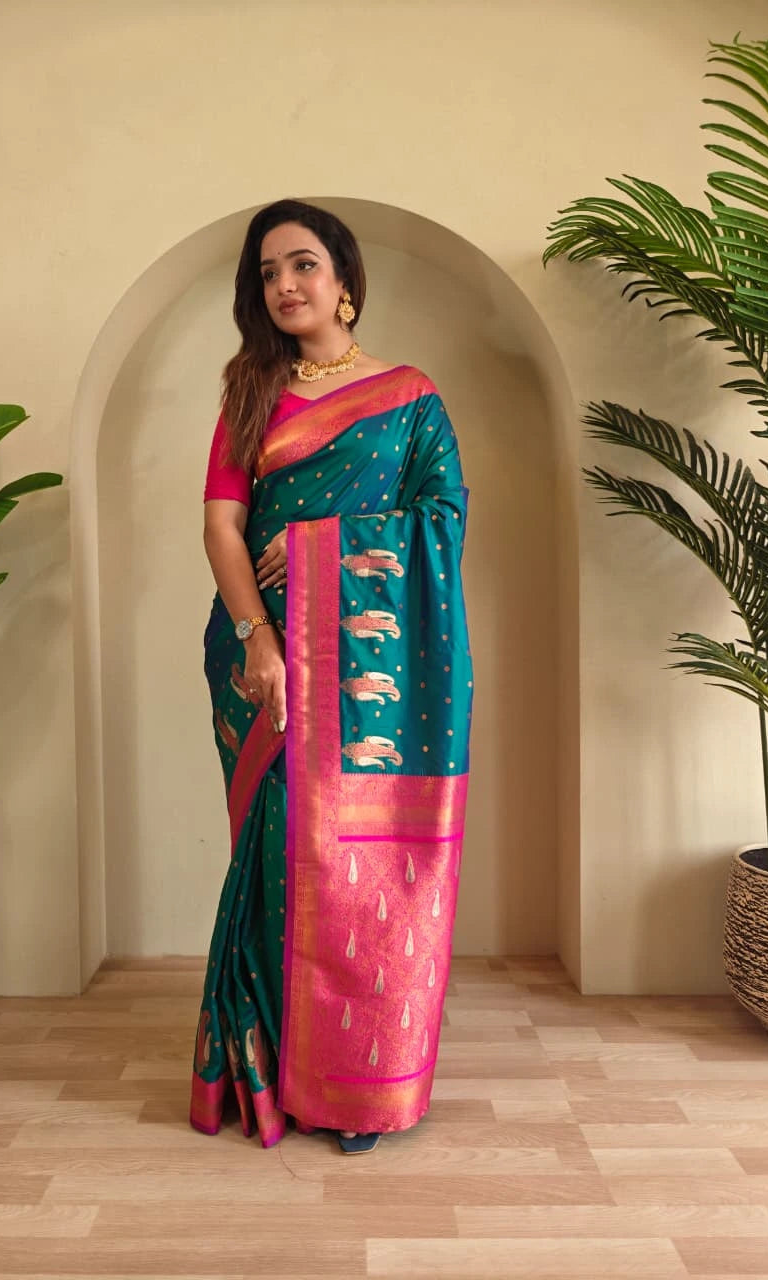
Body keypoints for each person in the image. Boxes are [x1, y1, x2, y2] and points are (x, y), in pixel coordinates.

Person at [190, 198, 473, 1155]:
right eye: (267, 274)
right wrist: (257, 633)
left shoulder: (411, 397)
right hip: (264, 658)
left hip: (376, 665)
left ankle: (358, 1080)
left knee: (361, 868)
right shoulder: (250, 396)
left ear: (346, 283)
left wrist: (320, 546)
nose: (284, 286)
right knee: (278, 862)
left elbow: (443, 518)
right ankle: (275, 1071)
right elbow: (223, 528)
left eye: (302, 265)